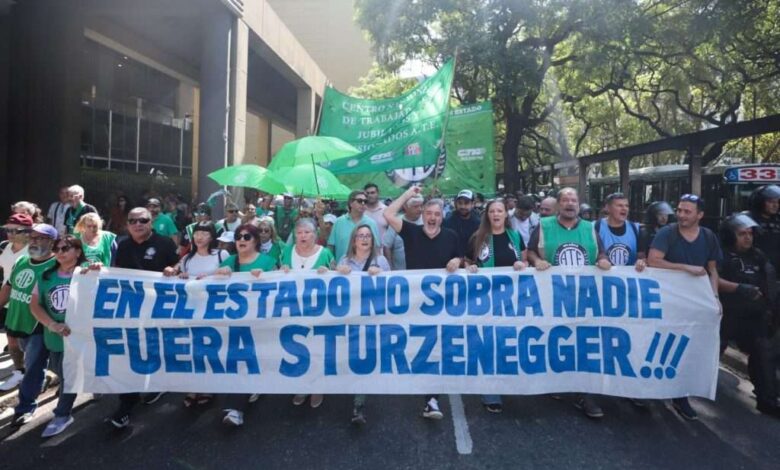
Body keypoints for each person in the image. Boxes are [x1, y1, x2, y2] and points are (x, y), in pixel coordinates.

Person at [526, 188, 612, 419]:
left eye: (574, 200)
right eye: (565, 200)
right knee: (557, 340)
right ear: (558, 205)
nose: (570, 204)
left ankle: (585, 395)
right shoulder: (544, 225)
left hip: (584, 298)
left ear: (578, 204)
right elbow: (530, 252)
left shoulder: (590, 228)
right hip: (552, 298)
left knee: (584, 344)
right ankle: (556, 381)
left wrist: (604, 260)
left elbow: (601, 254)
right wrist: (537, 261)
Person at [385, 186, 462, 420]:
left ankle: (432, 398)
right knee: (417, 346)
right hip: (414, 302)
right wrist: (408, 194)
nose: (432, 217)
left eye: (437, 214)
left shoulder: (451, 236)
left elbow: (462, 258)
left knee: (435, 347)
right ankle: (419, 386)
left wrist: (457, 260)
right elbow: (388, 215)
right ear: (423, 215)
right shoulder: (411, 231)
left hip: (442, 304)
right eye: (429, 213)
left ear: (442, 217)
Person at [647, 194, 722, 421]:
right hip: (666, 301)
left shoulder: (709, 237)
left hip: (694, 303)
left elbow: (712, 270)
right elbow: (654, 260)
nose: (681, 215)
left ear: (700, 215)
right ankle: (650, 388)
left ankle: (680, 395)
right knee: (660, 343)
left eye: (687, 211)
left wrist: (715, 297)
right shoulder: (667, 233)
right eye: (679, 210)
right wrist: (685, 268)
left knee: (687, 346)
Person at [107, 207, 179, 429]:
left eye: (143, 220)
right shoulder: (123, 245)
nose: (138, 224)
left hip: (159, 308)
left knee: (155, 346)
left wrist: (173, 269)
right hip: (131, 309)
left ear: (151, 222)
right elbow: (115, 271)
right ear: (127, 224)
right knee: (131, 352)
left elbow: (180, 265)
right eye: (133, 221)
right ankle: (125, 405)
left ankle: (157, 382)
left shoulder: (165, 243)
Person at [465, 199, 527, 413]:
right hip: (487, 299)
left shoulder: (515, 236)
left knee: (509, 341)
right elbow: (467, 260)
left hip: (512, 299)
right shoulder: (478, 237)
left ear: (505, 214)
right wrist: (470, 266)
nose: (496, 214)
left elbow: (525, 260)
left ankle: (509, 382)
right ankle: (490, 390)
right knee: (489, 342)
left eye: (500, 210)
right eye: (492, 211)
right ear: (487, 215)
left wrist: (522, 265)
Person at [717, 214, 780, 418]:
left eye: (750, 234)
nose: (747, 238)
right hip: (724, 316)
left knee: (763, 353)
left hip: (753, 317)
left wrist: (770, 310)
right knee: (710, 354)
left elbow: (769, 283)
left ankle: (767, 400)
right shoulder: (720, 255)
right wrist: (738, 289)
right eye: (742, 234)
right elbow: (711, 280)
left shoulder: (758, 256)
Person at [163, 222, 228, 409]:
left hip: (214, 309)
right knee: (193, 348)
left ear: (212, 237)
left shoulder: (221, 255)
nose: (199, 237)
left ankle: (209, 386)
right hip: (190, 310)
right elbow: (174, 270)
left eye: (204, 234)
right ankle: (193, 386)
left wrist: (212, 277)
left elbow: (229, 275)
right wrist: (174, 272)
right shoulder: (187, 258)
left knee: (211, 347)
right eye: (197, 233)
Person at [28, 235, 87, 437]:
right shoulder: (46, 275)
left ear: (78, 252)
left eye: (66, 248)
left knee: (68, 377)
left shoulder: (87, 273)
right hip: (54, 337)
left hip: (80, 338)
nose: (60, 252)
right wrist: (51, 324)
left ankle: (62, 414)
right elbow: (34, 305)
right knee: (60, 372)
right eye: (57, 248)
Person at [1, 224, 58, 426]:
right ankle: (50, 380)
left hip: (39, 325)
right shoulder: (22, 260)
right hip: (16, 320)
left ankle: (25, 407)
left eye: (40, 238)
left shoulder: (56, 266)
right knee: (36, 363)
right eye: (32, 237)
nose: (34, 241)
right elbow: (8, 288)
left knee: (33, 366)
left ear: (52, 242)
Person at [336, 224, 391, 425]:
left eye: (368, 235)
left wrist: (381, 275)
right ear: (354, 240)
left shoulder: (381, 260)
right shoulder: (344, 260)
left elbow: (392, 289)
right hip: (350, 318)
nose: (364, 239)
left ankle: (358, 405)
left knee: (363, 358)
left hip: (371, 317)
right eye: (360, 235)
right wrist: (338, 272)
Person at [282, 218, 335, 410]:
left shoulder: (326, 253)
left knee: (317, 349)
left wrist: (329, 272)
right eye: (299, 232)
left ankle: (318, 387)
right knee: (297, 349)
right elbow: (275, 277)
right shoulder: (286, 252)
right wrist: (281, 271)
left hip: (319, 312)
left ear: (315, 235)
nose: (303, 236)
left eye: (307, 232)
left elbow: (339, 279)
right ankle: (302, 386)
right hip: (293, 312)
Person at [0, 213, 34, 391]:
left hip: (26, 302)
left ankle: (34, 374)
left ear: (28, 232)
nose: (10, 234)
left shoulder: (33, 251)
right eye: (7, 230)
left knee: (30, 343)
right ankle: (19, 371)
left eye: (15, 230)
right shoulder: (5, 246)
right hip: (8, 301)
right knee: (11, 340)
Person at [328, 190, 379, 262]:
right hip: (342, 269)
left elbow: (376, 248)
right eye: (359, 201)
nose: (363, 203)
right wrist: (332, 263)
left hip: (365, 269)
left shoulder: (372, 223)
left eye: (365, 201)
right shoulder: (338, 222)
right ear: (351, 203)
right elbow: (331, 246)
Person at [382, 194, 424, 270]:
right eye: (415, 206)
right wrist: (390, 268)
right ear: (405, 207)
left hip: (421, 274)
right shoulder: (396, 223)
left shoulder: (427, 221)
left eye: (421, 206)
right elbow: (387, 247)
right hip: (400, 273)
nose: (420, 209)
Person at [747, 185, 780, 270]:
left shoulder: (778, 220)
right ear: (759, 202)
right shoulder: (747, 220)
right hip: (755, 266)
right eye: (770, 202)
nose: (775, 205)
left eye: (777, 202)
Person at [443, 189, 481, 256]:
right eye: (460, 203)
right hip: (452, 261)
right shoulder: (447, 222)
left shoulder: (478, 223)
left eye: (466, 203)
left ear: (472, 204)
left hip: (472, 262)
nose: (463, 206)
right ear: (456, 204)